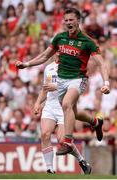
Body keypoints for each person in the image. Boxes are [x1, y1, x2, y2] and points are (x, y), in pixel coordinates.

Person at [16, 8, 110, 156]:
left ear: (78, 21)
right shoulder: (59, 38)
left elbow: (102, 63)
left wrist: (106, 83)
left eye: (71, 20)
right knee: (74, 112)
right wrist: (26, 64)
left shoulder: (87, 42)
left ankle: (67, 142)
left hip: (78, 79)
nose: (68, 23)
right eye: (66, 20)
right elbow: (44, 56)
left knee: (67, 104)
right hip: (61, 80)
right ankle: (96, 123)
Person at [33, 57, 91, 174]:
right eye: (57, 51)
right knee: (45, 134)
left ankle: (81, 161)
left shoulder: (70, 67)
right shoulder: (48, 68)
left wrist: (57, 87)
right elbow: (45, 89)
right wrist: (38, 102)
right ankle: (50, 169)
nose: (59, 53)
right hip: (50, 106)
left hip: (64, 107)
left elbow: (76, 87)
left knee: (62, 140)